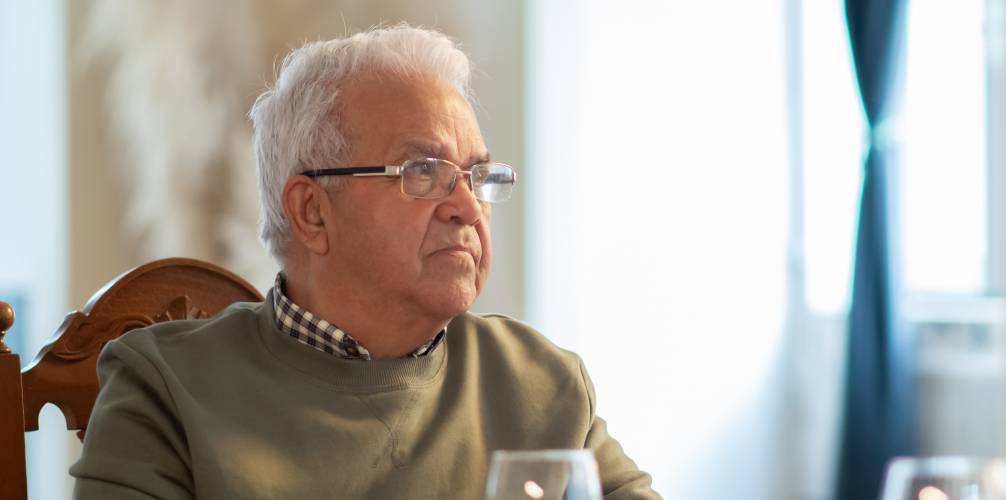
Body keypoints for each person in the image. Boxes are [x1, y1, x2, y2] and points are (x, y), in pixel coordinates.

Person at [70, 24, 660, 500]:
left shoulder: (540, 382)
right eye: (424, 172)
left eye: (478, 176)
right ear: (312, 213)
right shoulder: (165, 387)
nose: (465, 206)